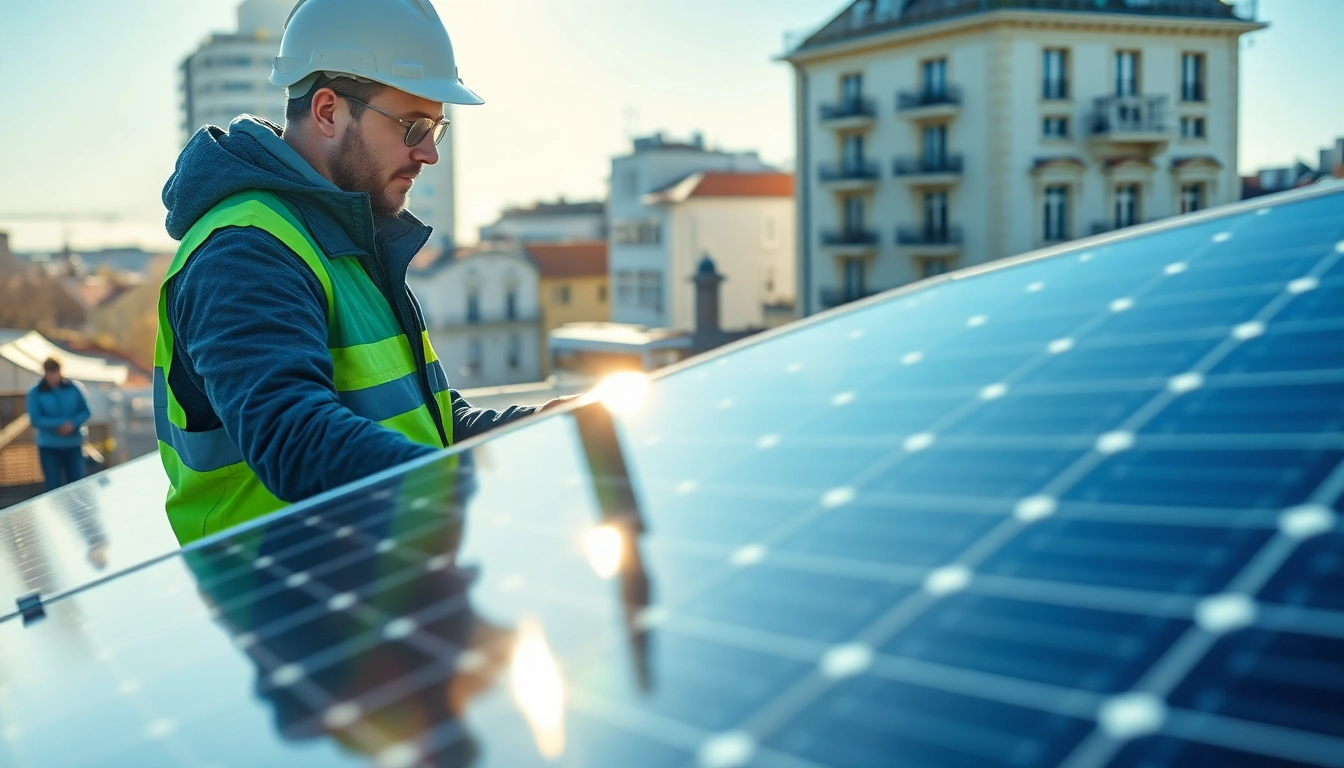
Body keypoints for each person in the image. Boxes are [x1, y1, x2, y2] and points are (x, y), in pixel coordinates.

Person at [155, 0, 574, 545]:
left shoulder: (346, 240)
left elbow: (430, 424)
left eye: (437, 129)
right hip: (282, 585)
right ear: (328, 111)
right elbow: (296, 440)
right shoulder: (244, 250)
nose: (429, 153)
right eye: (413, 126)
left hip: (377, 567)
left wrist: (537, 428)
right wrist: (474, 486)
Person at [27, 358, 90, 492]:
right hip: (49, 446)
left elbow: (86, 411)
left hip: (73, 444)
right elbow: (35, 419)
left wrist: (72, 424)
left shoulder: (73, 388)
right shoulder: (36, 392)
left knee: (77, 486)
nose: (52, 375)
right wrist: (59, 424)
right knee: (53, 487)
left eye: (54, 371)